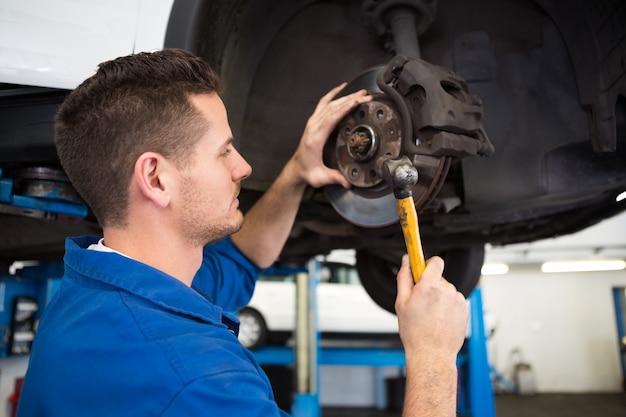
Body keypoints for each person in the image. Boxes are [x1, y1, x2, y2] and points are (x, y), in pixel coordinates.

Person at [17, 48, 468, 417]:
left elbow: (241, 259)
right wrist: (433, 356)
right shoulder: (195, 379)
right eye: (224, 152)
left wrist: (296, 172)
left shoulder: (97, 289)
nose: (244, 168)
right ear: (156, 178)